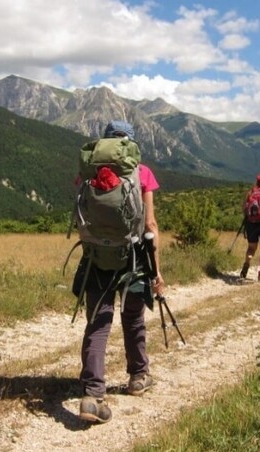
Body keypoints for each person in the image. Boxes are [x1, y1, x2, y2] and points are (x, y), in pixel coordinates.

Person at [74, 121, 165, 424]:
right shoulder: (142, 172)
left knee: (98, 325)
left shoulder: (88, 173)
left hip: (96, 257)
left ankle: (91, 394)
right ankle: (138, 376)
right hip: (133, 260)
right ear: (131, 145)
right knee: (133, 319)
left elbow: (80, 216)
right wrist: (156, 272)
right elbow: (150, 225)